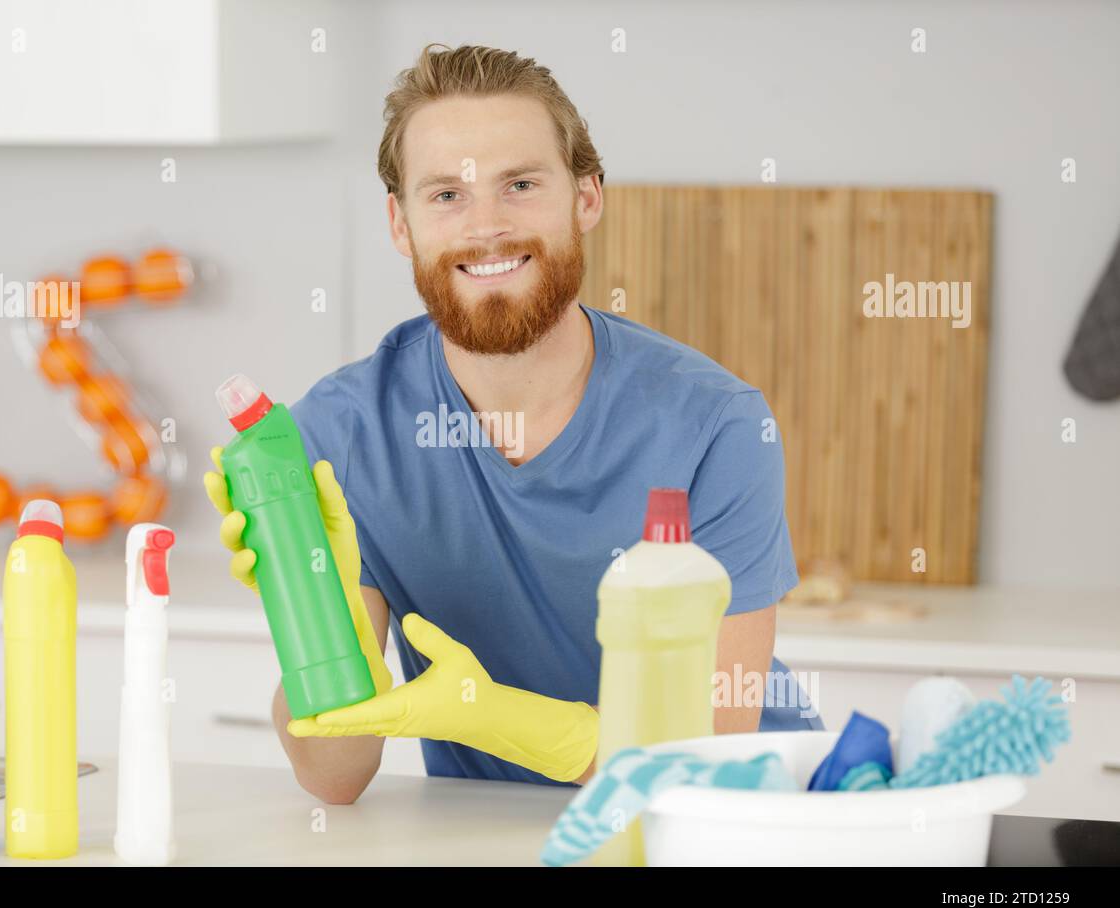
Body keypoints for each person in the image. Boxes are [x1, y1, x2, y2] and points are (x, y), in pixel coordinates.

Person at [203, 43, 821, 805]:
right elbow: (335, 775)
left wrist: (504, 719)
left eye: (520, 184)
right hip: (497, 833)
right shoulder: (343, 432)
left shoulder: (715, 425)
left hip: (735, 830)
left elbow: (710, 756)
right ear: (401, 224)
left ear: (586, 197)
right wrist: (321, 630)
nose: (486, 227)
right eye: (446, 196)